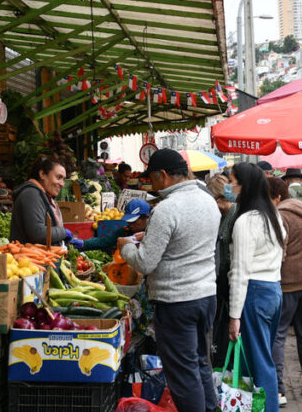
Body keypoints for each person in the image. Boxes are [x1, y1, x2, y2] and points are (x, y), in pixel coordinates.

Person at [118, 149, 220, 412]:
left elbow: (144, 263)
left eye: (151, 178)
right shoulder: (209, 200)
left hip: (176, 302)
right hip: (206, 296)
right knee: (200, 364)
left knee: (183, 375)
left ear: (162, 175)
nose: (150, 185)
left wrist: (126, 247)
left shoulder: (166, 209)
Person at [228, 163, 285, 412]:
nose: (231, 187)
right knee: (262, 357)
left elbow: (240, 271)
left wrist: (233, 316)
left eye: (234, 182)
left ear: (245, 185)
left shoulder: (246, 221)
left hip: (254, 292)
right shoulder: (272, 216)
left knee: (260, 362)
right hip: (273, 291)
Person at [267, 177, 302, 406]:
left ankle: (278, 390)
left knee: (278, 335)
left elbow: (278, 251)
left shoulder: (281, 215)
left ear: (278, 197)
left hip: (289, 281)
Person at [10, 156, 81, 246]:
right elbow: (37, 233)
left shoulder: (45, 195)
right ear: (42, 174)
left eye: (63, 179)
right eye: (58, 177)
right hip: (29, 258)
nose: (62, 184)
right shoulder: (31, 194)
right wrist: (63, 232)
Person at [206, 174, 238, 368]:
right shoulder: (222, 216)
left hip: (231, 281)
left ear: (220, 198)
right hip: (223, 281)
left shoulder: (235, 215)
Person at [80, 199, 150, 253]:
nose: (131, 225)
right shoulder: (126, 230)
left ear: (146, 217)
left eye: (134, 221)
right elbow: (104, 241)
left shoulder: (154, 232)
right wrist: (83, 243)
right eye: (129, 221)